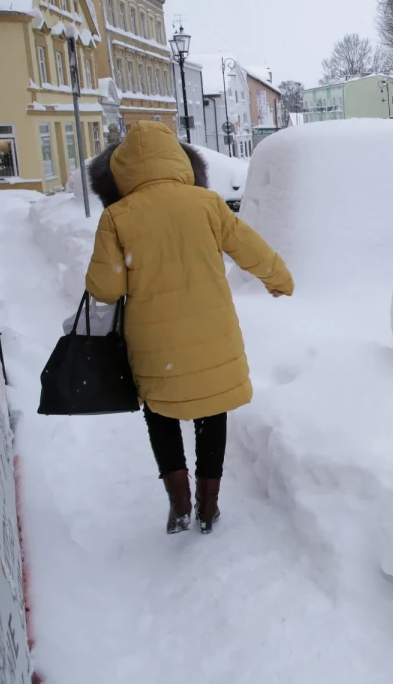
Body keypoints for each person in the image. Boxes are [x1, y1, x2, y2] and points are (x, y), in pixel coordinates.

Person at [84, 121, 293, 535]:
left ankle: (179, 502)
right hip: (212, 335)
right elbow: (248, 247)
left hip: (154, 343)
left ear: (123, 169)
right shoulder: (207, 204)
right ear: (178, 161)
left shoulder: (117, 217)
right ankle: (209, 507)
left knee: (161, 415)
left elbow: (105, 287)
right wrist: (278, 278)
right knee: (211, 412)